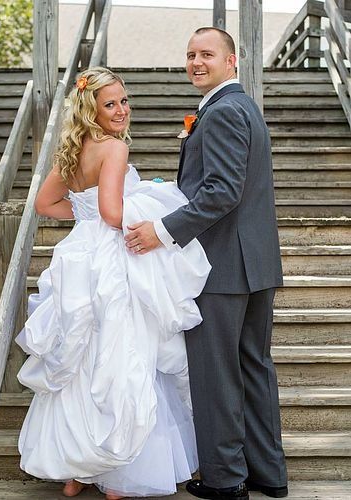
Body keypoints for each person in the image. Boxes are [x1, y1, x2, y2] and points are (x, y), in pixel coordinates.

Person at [15, 67, 211, 498]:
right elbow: (110, 212)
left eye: (124, 101)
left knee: (81, 358)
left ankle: (75, 471)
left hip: (78, 256)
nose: (121, 110)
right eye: (110, 104)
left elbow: (47, 204)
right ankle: (118, 474)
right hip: (112, 257)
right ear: (92, 109)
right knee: (122, 354)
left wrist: (82, 212)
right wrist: (153, 215)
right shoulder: (114, 149)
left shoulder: (74, 148)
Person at [125, 28, 288, 500]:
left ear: (232, 61)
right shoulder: (244, 108)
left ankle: (224, 478)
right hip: (255, 263)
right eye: (191, 55)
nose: (197, 62)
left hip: (221, 266)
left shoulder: (220, 113)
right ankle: (268, 474)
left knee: (215, 371)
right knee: (254, 366)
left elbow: (221, 191)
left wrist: (161, 229)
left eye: (207, 55)